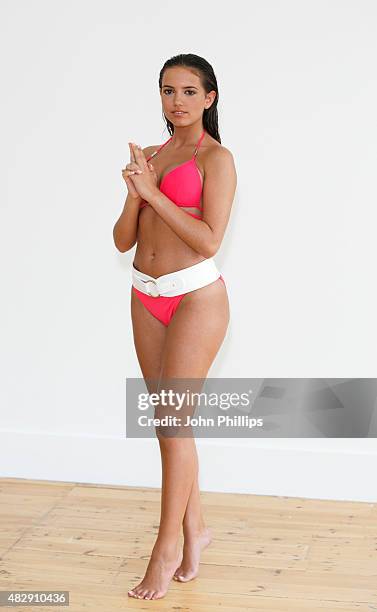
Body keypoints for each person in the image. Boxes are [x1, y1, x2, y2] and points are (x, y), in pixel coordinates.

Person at [113, 53, 237, 601]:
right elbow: (122, 241)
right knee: (168, 424)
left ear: (209, 98)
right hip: (146, 296)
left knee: (171, 426)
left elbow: (209, 240)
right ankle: (195, 531)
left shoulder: (218, 158)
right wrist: (134, 191)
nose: (177, 101)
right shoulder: (153, 154)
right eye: (168, 90)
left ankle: (164, 552)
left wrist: (156, 195)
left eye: (189, 91)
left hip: (195, 298)